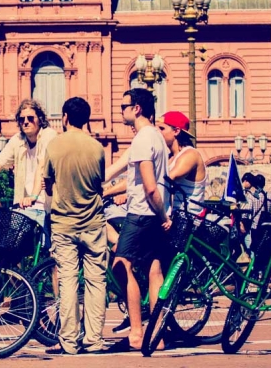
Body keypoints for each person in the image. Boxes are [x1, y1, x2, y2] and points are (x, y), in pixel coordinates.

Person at [41, 97, 106, 355]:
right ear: (86, 119)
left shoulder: (55, 145)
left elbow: (47, 181)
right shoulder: (97, 147)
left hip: (63, 224)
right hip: (93, 223)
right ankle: (94, 341)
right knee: (96, 281)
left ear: (65, 118)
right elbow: (99, 182)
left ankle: (69, 342)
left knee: (68, 281)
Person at [110, 88, 170, 352]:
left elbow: (149, 187)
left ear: (137, 109)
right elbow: (120, 170)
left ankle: (136, 332)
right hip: (154, 214)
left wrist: (161, 215)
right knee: (154, 271)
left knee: (121, 266)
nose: (120, 110)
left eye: (124, 106)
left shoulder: (143, 138)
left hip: (143, 213)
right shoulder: (155, 137)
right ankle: (158, 335)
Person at [0, 99, 58, 232]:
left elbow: (42, 166)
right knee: (11, 248)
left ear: (40, 119)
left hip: (48, 207)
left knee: (48, 250)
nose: (26, 122)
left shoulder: (49, 135)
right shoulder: (17, 140)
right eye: (22, 119)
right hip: (24, 208)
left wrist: (33, 196)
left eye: (30, 118)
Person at [157, 111, 206, 214]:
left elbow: (167, 179)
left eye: (162, 128)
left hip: (188, 221)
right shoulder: (169, 157)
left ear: (176, 131)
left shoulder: (191, 154)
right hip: (172, 216)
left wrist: (131, 194)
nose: (158, 132)